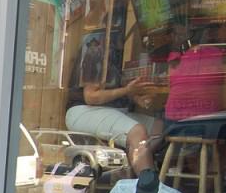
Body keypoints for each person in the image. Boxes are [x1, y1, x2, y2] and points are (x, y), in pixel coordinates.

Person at [65, 33, 161, 181]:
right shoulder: (96, 51)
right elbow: (91, 97)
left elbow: (113, 90)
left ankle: (130, 170)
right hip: (82, 111)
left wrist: (135, 98)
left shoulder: (116, 55)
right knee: (137, 132)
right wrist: (127, 91)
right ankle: (146, 189)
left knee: (159, 128)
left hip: (109, 110)